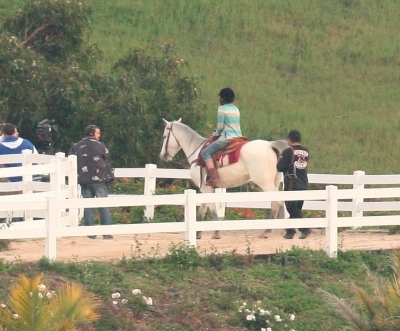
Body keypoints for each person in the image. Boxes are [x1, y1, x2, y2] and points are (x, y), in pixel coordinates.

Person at [68, 125, 114, 240]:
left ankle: (90, 233)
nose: (99, 135)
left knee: (88, 206)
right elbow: (107, 157)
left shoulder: (76, 146)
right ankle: (106, 232)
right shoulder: (100, 146)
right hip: (99, 179)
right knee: (103, 206)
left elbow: (70, 159)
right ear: (92, 133)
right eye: (98, 133)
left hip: (84, 180)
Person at [0, 123, 41, 222]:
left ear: (3, 133)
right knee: (26, 207)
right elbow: (37, 162)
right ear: (15, 132)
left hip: (8, 183)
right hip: (26, 182)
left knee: (10, 208)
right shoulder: (27, 143)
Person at [201, 87, 242, 186]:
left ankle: (213, 176)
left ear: (223, 98)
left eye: (220, 97)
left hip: (227, 138)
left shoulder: (222, 109)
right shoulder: (236, 109)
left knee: (205, 152)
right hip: (239, 137)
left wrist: (214, 135)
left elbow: (220, 127)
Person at [276, 129, 310, 240]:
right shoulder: (306, 151)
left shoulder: (288, 151)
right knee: (296, 209)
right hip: (303, 183)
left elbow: (279, 167)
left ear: (290, 139)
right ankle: (290, 232)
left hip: (292, 183)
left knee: (291, 208)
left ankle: (305, 229)